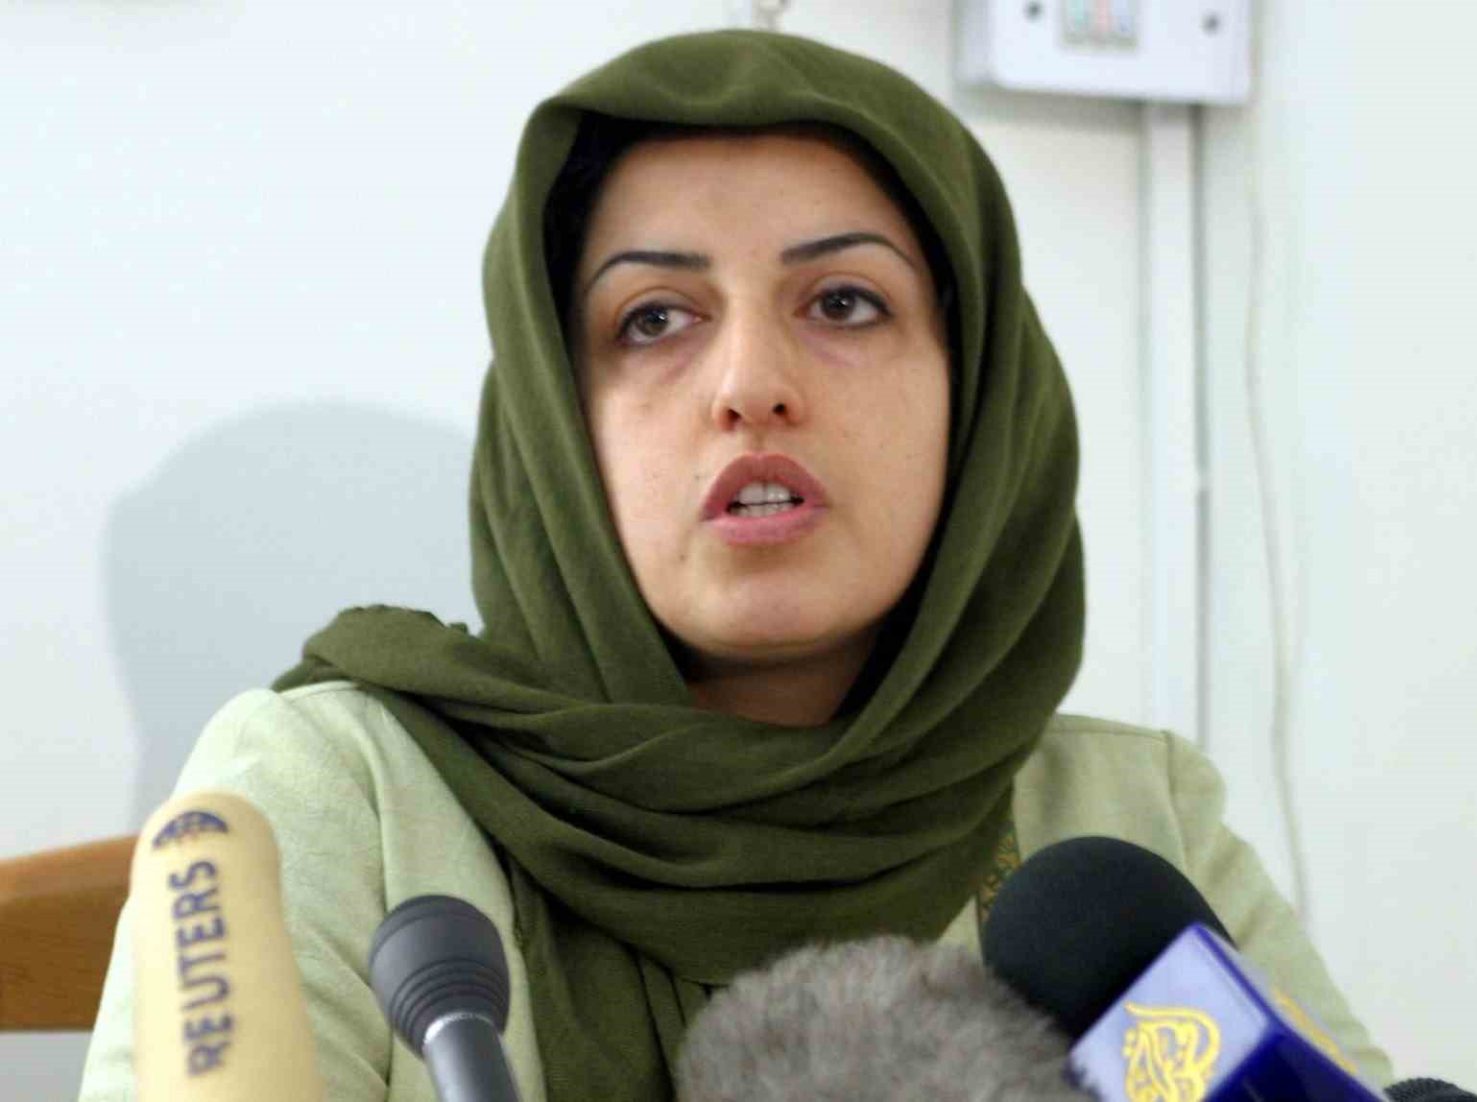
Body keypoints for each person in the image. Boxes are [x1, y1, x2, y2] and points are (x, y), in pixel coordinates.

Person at [78, 29, 1393, 1102]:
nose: (751, 383)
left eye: (844, 303)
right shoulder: (333, 796)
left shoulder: (1129, 823)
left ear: (978, 397)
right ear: (554, 423)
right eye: (654, 318)